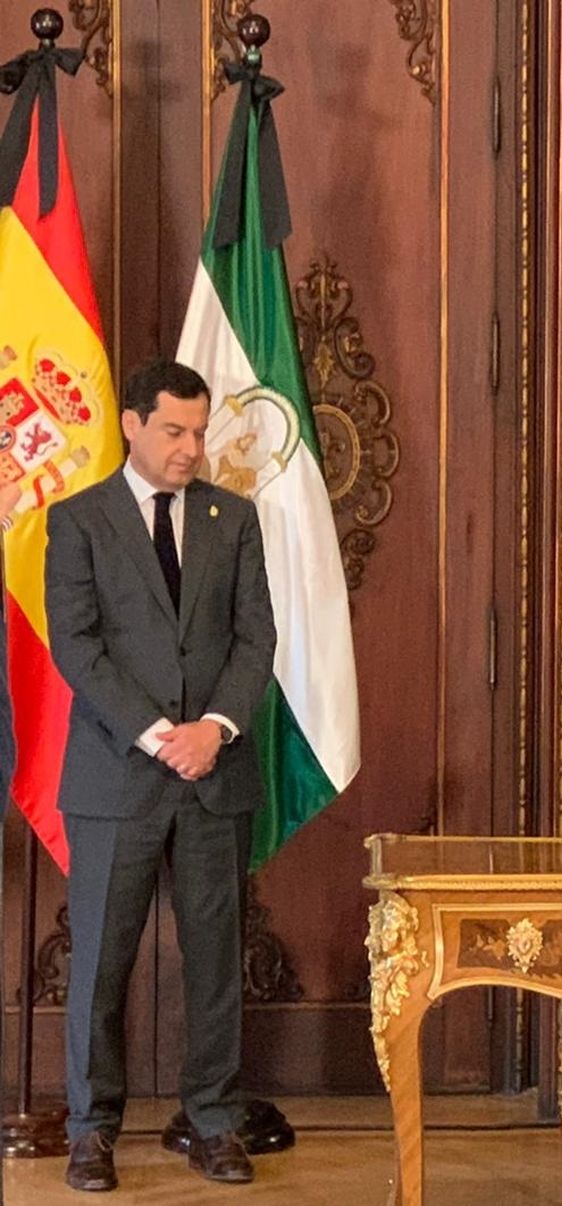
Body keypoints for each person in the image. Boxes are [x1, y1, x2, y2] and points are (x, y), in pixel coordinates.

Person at [45, 359, 276, 1192]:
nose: (191, 447)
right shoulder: (78, 521)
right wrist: (156, 735)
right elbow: (77, 647)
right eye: (174, 430)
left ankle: (214, 1122)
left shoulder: (233, 518)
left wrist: (212, 730)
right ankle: (90, 1130)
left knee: (215, 959)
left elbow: (256, 641)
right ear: (132, 424)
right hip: (117, 777)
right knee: (102, 960)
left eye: (200, 430)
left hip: (214, 774)